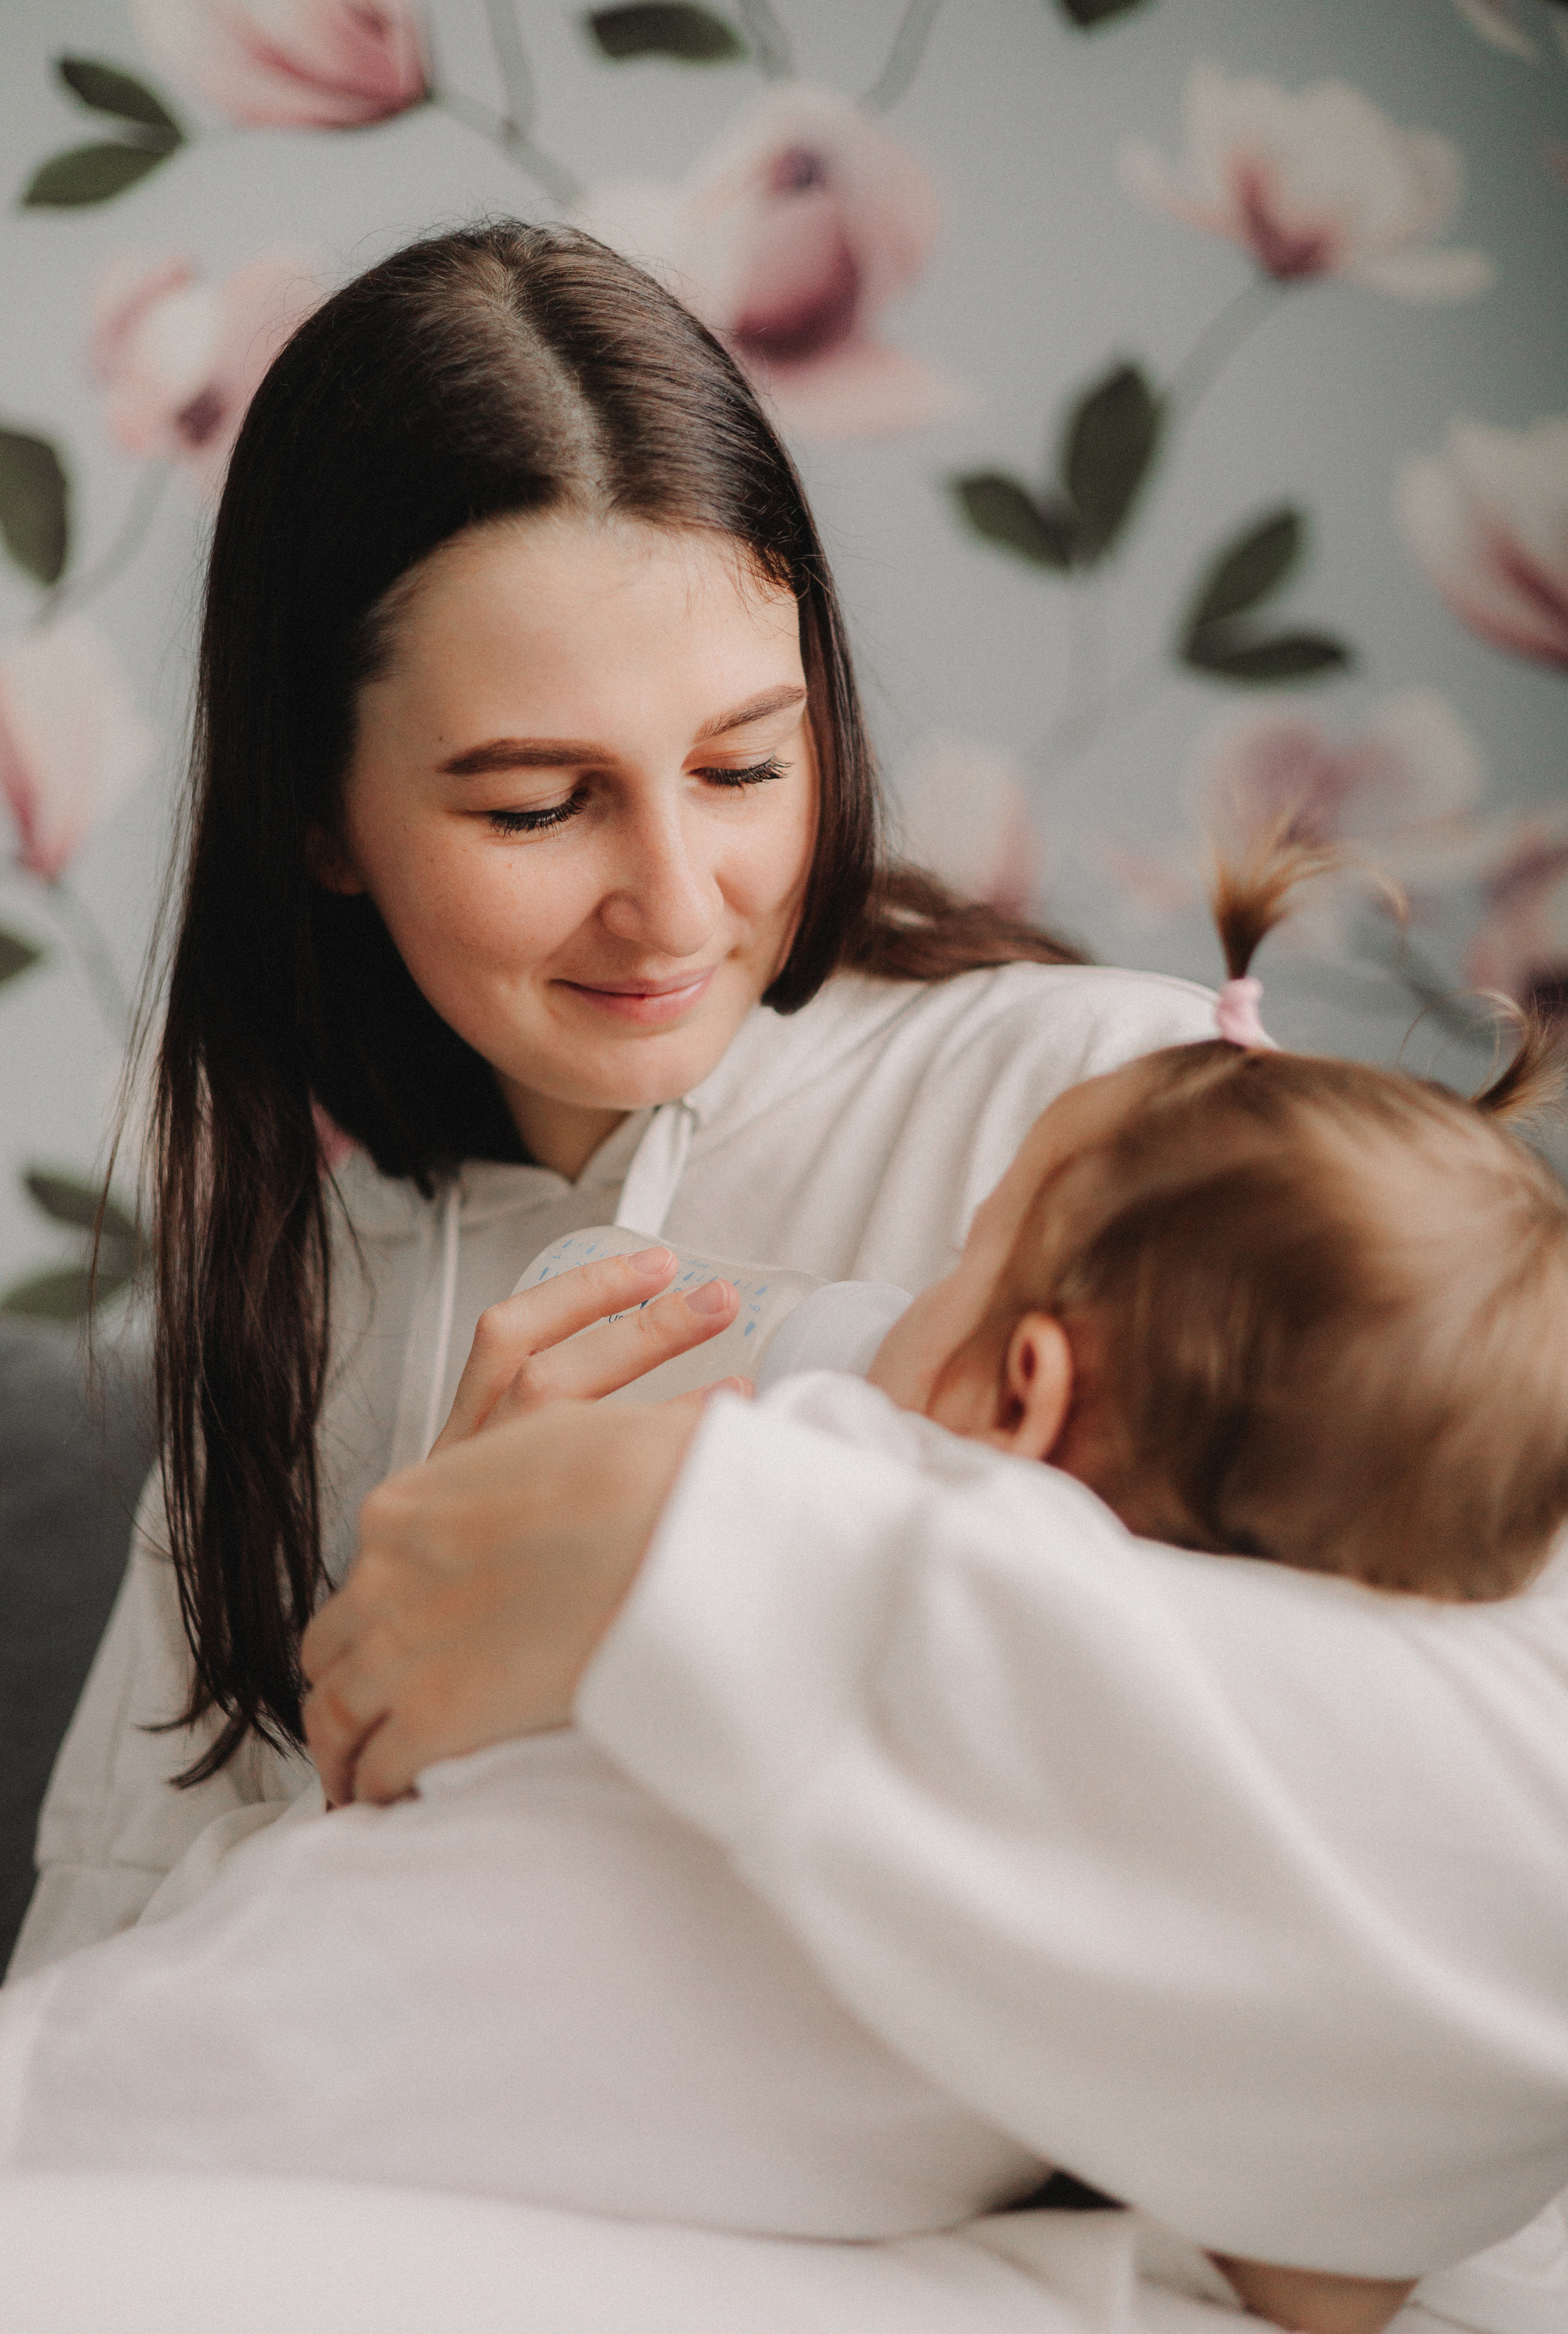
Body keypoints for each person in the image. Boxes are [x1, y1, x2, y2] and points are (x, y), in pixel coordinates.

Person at [4, 849, 1563, 2334]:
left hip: (275, 2064)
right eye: (531, 803)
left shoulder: (848, 1486)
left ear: (1026, 1388)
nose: (670, 893)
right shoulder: (1123, 1886)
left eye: (958, 1258)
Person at [10, 217, 1219, 1971]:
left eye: (744, 764)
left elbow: (1358, 1792)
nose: (676, 899)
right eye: (533, 807)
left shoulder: (1109, 1110)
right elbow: (89, 2012)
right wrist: (409, 1646)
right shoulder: (308, 1298)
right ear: (322, 815)